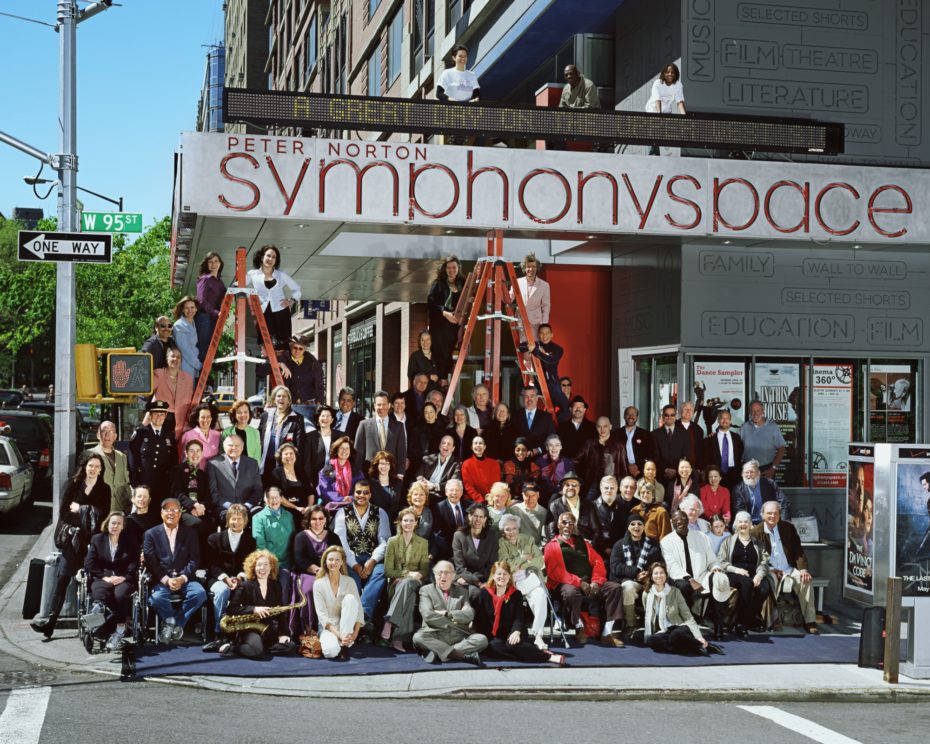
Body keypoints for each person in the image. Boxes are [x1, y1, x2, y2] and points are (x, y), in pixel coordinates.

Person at [31, 454, 112, 639]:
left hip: (92, 541)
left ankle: (94, 625)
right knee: (63, 577)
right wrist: (87, 515)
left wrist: (81, 509)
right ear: (85, 467)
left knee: (92, 581)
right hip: (73, 539)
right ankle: (50, 622)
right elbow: (64, 513)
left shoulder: (105, 489)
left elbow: (103, 514)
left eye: (96, 466)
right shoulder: (73, 484)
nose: (93, 469)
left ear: (101, 469)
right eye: (90, 465)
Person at [543, 511, 624, 647]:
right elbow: (556, 572)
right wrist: (580, 582)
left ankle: (606, 633)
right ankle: (579, 627)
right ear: (558, 525)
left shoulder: (584, 543)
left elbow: (597, 561)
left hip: (590, 582)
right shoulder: (551, 546)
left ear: (574, 526)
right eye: (564, 522)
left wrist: (596, 581)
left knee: (614, 588)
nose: (567, 525)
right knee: (571, 593)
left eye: (571, 523)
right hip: (566, 583)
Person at [142, 495, 207, 644]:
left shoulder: (190, 533)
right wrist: (166, 580)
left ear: (180, 513)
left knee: (199, 593)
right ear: (161, 513)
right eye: (167, 510)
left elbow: (194, 560)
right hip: (162, 579)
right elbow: (151, 562)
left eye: (175, 510)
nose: (171, 513)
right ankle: (173, 623)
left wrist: (182, 578)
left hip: (185, 578)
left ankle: (174, 624)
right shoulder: (150, 534)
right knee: (156, 598)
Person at [474, 561, 565, 665]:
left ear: (509, 576)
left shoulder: (516, 594)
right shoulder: (484, 593)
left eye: (505, 574)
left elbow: (519, 617)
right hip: (494, 636)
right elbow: (480, 619)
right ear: (493, 576)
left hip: (512, 632)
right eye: (499, 574)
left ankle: (549, 657)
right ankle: (534, 652)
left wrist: (516, 631)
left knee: (513, 645)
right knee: (493, 649)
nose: (502, 577)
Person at [660, 509, 731, 640]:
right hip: (679, 578)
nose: (679, 522)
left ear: (688, 521)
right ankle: (688, 624)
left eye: (682, 519)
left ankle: (719, 625)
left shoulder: (702, 537)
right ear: (672, 523)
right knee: (684, 586)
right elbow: (672, 566)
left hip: (702, 576)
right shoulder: (666, 541)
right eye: (675, 520)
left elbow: (712, 560)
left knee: (719, 579)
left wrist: (715, 568)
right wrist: (690, 579)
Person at [751, 501, 820, 634]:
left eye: (775, 513)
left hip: (789, 568)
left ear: (780, 515)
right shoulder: (755, 532)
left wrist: (803, 569)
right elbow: (756, 558)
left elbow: (798, 550)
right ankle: (773, 620)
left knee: (805, 581)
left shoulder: (788, 528)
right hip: (770, 570)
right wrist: (770, 570)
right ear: (762, 515)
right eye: (769, 513)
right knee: (771, 583)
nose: (772, 516)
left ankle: (810, 621)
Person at [333, 480, 390, 628]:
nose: (361, 495)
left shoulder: (380, 513)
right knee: (352, 582)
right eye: (358, 492)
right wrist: (355, 565)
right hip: (350, 559)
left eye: (365, 492)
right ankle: (357, 620)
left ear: (370, 495)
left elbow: (384, 541)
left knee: (382, 572)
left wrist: (373, 561)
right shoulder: (342, 512)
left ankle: (362, 613)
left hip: (373, 558)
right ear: (353, 493)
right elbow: (341, 542)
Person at [221, 549, 293, 658]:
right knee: (257, 651)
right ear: (253, 568)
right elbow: (231, 609)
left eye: (266, 564)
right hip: (250, 629)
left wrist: (284, 634)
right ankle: (231, 648)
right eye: (259, 565)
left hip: (268, 630)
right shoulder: (245, 586)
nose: (262, 568)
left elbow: (280, 613)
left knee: (290, 646)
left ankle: (257, 648)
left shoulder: (276, 586)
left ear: (271, 567)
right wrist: (254, 609)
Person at [83, 511, 138, 652]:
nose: (115, 526)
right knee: (100, 592)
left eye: (119, 524)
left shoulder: (130, 541)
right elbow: (89, 563)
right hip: (103, 577)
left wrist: (124, 577)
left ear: (123, 526)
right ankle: (97, 616)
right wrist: (104, 577)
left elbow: (134, 562)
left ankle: (119, 630)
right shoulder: (97, 539)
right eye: (113, 523)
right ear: (107, 524)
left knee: (121, 595)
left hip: (123, 579)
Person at [413, 560, 487, 666]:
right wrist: (457, 619)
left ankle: (438, 652)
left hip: (458, 636)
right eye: (440, 573)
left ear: (453, 576)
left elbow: (469, 614)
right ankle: (462, 656)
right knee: (417, 638)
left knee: (482, 639)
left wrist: (448, 614)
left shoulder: (462, 591)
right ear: (434, 574)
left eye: (447, 573)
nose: (443, 576)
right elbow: (428, 615)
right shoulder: (426, 590)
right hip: (435, 634)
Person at [203, 504, 256, 651]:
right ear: (228, 520)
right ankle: (219, 631)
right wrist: (226, 579)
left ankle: (240, 632)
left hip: (240, 578)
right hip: (218, 578)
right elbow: (212, 565)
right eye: (233, 519)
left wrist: (239, 578)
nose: (236, 522)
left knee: (246, 590)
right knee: (222, 591)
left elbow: (248, 564)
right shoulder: (214, 538)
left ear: (245, 521)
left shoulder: (251, 541)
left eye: (239, 519)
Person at [642, 562, 721, 656]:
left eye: (662, 572)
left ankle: (700, 644)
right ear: (651, 576)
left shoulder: (675, 592)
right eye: (656, 573)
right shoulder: (647, 594)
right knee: (652, 641)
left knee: (676, 636)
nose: (659, 576)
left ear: (666, 575)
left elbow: (687, 616)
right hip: (663, 630)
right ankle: (695, 647)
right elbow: (648, 615)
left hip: (678, 627)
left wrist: (699, 636)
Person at [381, 507, 430, 651]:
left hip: (417, 582)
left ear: (416, 523)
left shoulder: (423, 542)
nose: (408, 523)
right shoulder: (392, 541)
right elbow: (388, 570)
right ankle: (398, 640)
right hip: (397, 583)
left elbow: (424, 569)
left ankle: (389, 621)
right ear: (400, 522)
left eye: (411, 521)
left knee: (408, 584)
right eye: (405, 520)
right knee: (408, 595)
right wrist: (407, 574)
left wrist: (414, 575)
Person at [497, 514, 549, 649]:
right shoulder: (501, 543)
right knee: (535, 586)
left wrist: (521, 565)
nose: (511, 532)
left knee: (540, 595)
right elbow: (506, 565)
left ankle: (538, 636)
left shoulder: (528, 539)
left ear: (518, 528)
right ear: (503, 530)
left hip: (530, 578)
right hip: (513, 582)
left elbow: (540, 561)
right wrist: (524, 557)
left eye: (514, 528)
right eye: (508, 529)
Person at [290, 505, 342, 636]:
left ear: (326, 519)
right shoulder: (301, 536)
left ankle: (334, 629)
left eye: (320, 518)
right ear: (308, 520)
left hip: (331, 572)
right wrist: (317, 570)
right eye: (314, 519)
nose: (317, 522)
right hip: (308, 573)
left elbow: (339, 556)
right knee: (310, 589)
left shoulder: (333, 537)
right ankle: (309, 629)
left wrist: (329, 571)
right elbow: (300, 559)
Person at [718, 510, 770, 636]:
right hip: (733, 574)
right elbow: (721, 561)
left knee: (764, 587)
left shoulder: (758, 543)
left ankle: (751, 616)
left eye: (746, 522)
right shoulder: (728, 541)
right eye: (740, 522)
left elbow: (764, 562)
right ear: (736, 524)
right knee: (747, 583)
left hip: (753, 573)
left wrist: (759, 575)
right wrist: (736, 570)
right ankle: (741, 623)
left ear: (750, 524)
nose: (743, 524)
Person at [609, 513, 660, 634]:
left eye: (639, 524)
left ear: (644, 526)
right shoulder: (619, 545)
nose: (636, 527)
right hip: (631, 580)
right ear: (628, 527)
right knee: (627, 588)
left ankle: (652, 624)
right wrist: (636, 573)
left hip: (649, 580)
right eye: (633, 524)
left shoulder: (653, 544)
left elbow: (659, 563)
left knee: (653, 591)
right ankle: (630, 623)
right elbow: (615, 566)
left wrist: (649, 574)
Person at [312, 545, 364, 660]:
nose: (333, 563)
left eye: (337, 560)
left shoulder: (350, 581)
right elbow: (322, 616)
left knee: (350, 599)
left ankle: (344, 647)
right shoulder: (318, 584)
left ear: (342, 562)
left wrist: (355, 634)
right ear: (325, 562)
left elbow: (359, 610)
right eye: (330, 559)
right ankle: (338, 643)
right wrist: (339, 635)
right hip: (328, 628)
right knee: (330, 652)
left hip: (346, 626)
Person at [246, 244, 301, 349]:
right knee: (263, 345)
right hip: (263, 313)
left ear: (276, 260)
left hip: (281, 312)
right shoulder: (252, 274)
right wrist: (250, 295)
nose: (270, 259)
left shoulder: (281, 274)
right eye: (268, 255)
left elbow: (297, 289)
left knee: (282, 345)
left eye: (273, 257)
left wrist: (292, 300)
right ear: (262, 257)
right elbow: (238, 285)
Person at [128, 399, 177, 503]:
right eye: (155, 414)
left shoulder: (170, 435)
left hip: (164, 484)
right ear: (150, 415)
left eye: (161, 414)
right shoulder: (140, 433)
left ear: (165, 415)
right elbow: (132, 462)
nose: (158, 417)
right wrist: (136, 485)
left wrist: (171, 483)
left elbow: (174, 460)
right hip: (144, 484)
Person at [207, 434, 264, 521]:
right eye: (230, 445)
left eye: (237, 445)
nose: (234, 448)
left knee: (259, 516)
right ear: (224, 447)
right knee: (230, 518)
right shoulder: (213, 464)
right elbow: (213, 493)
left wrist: (246, 506)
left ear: (242, 447)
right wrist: (231, 506)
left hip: (247, 506)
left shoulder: (252, 463)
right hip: (224, 507)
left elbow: (258, 490)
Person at [426, 256, 465, 382]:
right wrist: (444, 313)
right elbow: (431, 303)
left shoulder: (463, 283)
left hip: (454, 325)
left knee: (448, 353)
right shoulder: (438, 283)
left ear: (458, 268)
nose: (451, 270)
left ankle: (444, 381)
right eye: (449, 268)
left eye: (454, 267)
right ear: (444, 269)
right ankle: (440, 380)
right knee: (439, 353)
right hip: (439, 325)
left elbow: (468, 298)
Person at [251, 487, 295, 597]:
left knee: (284, 586)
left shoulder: (289, 516)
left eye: (277, 497)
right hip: (267, 562)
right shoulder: (258, 518)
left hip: (286, 562)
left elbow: (293, 540)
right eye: (271, 498)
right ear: (266, 499)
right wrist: (270, 564)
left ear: (281, 499)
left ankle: (284, 609)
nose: (274, 500)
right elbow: (260, 545)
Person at [452, 502, 498, 602]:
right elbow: (459, 566)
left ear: (485, 519)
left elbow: (491, 565)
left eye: (481, 517)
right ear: (469, 517)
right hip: (463, 577)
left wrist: (476, 580)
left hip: (485, 577)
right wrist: (476, 582)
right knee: (473, 592)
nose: (478, 519)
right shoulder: (459, 535)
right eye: (475, 516)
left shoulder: (492, 536)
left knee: (486, 594)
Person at [259, 385, 306, 480]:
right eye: (279, 396)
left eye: (284, 396)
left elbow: (299, 445)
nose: (281, 398)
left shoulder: (297, 419)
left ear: (289, 400)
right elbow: (259, 439)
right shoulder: (266, 415)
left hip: (285, 464)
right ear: (274, 398)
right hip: (266, 462)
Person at [355, 390, 407, 476]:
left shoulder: (398, 426)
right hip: (369, 474)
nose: (381, 407)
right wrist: (358, 475)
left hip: (391, 474)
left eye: (384, 404)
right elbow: (358, 452)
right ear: (374, 405)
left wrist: (400, 474)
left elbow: (402, 452)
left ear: (389, 405)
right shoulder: (364, 425)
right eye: (379, 404)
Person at [436, 44, 481, 146]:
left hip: (467, 116)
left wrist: (475, 100)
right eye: (460, 56)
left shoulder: (471, 75)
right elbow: (439, 93)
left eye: (465, 56)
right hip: (451, 115)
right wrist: (453, 100)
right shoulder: (447, 73)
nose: (463, 58)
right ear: (454, 58)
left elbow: (477, 93)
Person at [169, 439, 213, 540]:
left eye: (198, 451)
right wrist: (193, 505)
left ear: (202, 453)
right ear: (186, 453)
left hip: (199, 510)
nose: (195, 454)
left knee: (210, 523)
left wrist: (201, 506)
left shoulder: (203, 474)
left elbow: (208, 498)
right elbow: (177, 493)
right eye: (191, 451)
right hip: (182, 510)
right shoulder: (177, 470)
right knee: (196, 523)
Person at [528, 324, 572, 423]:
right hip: (539, 384)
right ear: (538, 335)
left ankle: (553, 424)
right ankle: (550, 424)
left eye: (547, 333)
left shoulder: (558, 349)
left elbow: (550, 360)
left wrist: (535, 351)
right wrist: (528, 346)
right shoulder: (535, 345)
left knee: (569, 409)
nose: (545, 336)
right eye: (542, 333)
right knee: (544, 412)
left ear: (552, 334)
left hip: (553, 384)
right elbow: (521, 346)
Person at [576, 416, 627, 499]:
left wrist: (624, 486)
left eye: (605, 426)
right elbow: (575, 460)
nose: (602, 429)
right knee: (588, 504)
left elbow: (624, 469)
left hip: (611, 483)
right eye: (599, 426)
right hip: (593, 483)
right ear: (596, 427)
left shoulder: (619, 446)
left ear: (610, 427)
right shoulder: (589, 443)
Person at [150, 347, 195, 443]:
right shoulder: (158, 373)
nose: (175, 359)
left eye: (178, 357)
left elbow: (189, 401)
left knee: (175, 447)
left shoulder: (188, 378)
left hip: (181, 420)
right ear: (167, 359)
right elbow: (148, 389)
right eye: (173, 356)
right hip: (161, 418)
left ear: (181, 361)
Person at [88, 420, 132, 513]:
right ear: (98, 435)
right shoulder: (89, 454)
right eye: (104, 431)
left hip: (120, 508)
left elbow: (126, 482)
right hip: (99, 508)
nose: (107, 435)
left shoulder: (122, 457)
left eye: (111, 431)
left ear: (115, 436)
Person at [275, 334, 324, 418]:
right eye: (295, 348)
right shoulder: (285, 358)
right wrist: (282, 365)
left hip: (309, 407)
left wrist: (319, 402)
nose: (297, 351)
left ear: (304, 349)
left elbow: (320, 384)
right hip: (292, 407)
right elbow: (277, 359)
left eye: (300, 348)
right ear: (291, 347)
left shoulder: (312, 362)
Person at [732, 459, 791, 524]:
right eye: (746, 472)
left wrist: (784, 523)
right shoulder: (738, 489)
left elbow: (784, 502)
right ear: (742, 474)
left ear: (758, 473)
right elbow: (739, 510)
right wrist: (747, 524)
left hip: (768, 522)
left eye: (752, 472)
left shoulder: (770, 484)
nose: (749, 474)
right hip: (749, 524)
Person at [645, 62, 686, 156]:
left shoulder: (678, 85)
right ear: (664, 73)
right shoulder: (658, 83)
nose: (670, 74)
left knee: (665, 134)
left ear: (676, 74)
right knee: (653, 134)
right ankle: (653, 155)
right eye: (667, 72)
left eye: (672, 72)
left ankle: (664, 153)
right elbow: (657, 100)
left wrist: (685, 117)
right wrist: (659, 115)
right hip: (653, 111)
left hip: (667, 111)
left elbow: (680, 102)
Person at [548, 471, 600, 543]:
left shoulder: (589, 505)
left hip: (585, 544)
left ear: (579, 487)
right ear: (562, 488)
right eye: (567, 485)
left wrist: (591, 543)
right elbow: (551, 532)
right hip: (563, 544)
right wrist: (562, 545)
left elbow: (596, 531)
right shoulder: (555, 505)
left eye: (574, 485)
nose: (571, 487)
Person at [741, 400, 787, 480]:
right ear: (749, 412)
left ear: (763, 411)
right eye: (753, 411)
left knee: (765, 488)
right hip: (747, 470)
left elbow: (782, 449)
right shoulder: (744, 428)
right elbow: (736, 447)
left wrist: (773, 468)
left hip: (766, 470)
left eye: (758, 411)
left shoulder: (773, 427)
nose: (755, 414)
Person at [195, 251, 225, 364]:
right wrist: (216, 312)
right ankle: (197, 375)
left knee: (209, 352)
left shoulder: (220, 282)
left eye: (216, 261)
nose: (214, 264)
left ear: (220, 263)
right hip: (204, 318)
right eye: (210, 262)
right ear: (206, 264)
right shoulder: (204, 279)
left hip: (214, 318)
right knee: (202, 350)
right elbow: (201, 301)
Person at [512, 252, 550, 341]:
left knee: (535, 346)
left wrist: (544, 324)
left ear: (537, 268)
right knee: (522, 346)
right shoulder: (517, 282)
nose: (531, 269)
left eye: (533, 267)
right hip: (520, 321)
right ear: (524, 268)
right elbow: (509, 299)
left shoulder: (544, 285)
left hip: (536, 322)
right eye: (528, 266)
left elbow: (546, 306)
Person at [317, 436, 361, 512]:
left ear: (350, 451)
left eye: (347, 448)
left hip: (352, 506)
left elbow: (362, 488)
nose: (344, 451)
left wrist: (351, 498)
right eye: (341, 448)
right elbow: (325, 491)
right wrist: (342, 499)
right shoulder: (327, 470)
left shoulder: (355, 470)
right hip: (332, 508)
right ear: (336, 450)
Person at [594, 475, 634, 558]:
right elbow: (591, 532)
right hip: (597, 551)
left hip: (618, 552)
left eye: (612, 488)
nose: (609, 490)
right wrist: (604, 548)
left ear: (616, 489)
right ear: (601, 488)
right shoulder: (592, 507)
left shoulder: (623, 508)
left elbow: (626, 532)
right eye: (606, 488)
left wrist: (617, 548)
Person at [702, 410, 743, 490]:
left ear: (730, 421)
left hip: (734, 473)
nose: (725, 421)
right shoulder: (710, 439)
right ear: (718, 420)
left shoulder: (737, 438)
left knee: (733, 495)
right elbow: (706, 457)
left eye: (727, 418)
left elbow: (740, 453)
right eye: (722, 418)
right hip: (716, 473)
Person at [432, 478, 471, 560]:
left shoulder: (469, 506)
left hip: (468, 550)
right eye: (451, 490)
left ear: (461, 493)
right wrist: (454, 553)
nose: (454, 493)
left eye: (457, 490)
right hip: (449, 552)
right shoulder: (439, 508)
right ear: (446, 492)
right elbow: (438, 535)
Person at [416, 434, 461, 501]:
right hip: (424, 491)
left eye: (449, 444)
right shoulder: (427, 458)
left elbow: (454, 482)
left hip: (441, 496)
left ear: (453, 448)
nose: (445, 445)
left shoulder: (456, 464)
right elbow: (419, 474)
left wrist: (434, 486)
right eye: (443, 443)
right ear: (439, 446)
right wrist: (423, 483)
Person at [651, 405, 691, 482]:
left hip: (679, 475)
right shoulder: (654, 434)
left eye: (672, 415)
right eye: (666, 415)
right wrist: (665, 469)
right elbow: (655, 456)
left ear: (676, 416)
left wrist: (677, 470)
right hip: (660, 476)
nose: (669, 417)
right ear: (663, 416)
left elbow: (686, 454)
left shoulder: (684, 433)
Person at [270, 441, 311, 512]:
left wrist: (309, 507)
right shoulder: (276, 473)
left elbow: (310, 492)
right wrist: (296, 508)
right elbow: (277, 496)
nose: (289, 456)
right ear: (280, 457)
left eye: (291, 453)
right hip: (284, 511)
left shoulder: (301, 472)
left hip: (305, 511)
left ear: (295, 456)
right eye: (286, 454)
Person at [631, 480, 672, 552]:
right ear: (639, 494)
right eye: (643, 492)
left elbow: (665, 536)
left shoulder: (661, 512)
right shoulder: (634, 511)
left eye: (648, 492)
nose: (645, 495)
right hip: (637, 548)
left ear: (653, 495)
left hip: (654, 549)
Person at [507, 481, 550, 546]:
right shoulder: (514, 510)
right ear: (522, 495)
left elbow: (544, 537)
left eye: (533, 495)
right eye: (527, 495)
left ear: (538, 495)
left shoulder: (544, 512)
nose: (530, 499)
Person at [303, 404, 337, 489]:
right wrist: (308, 481)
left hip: (336, 478)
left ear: (332, 419)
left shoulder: (340, 436)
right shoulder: (310, 436)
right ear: (318, 418)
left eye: (328, 416)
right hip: (316, 480)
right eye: (323, 416)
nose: (325, 418)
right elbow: (307, 462)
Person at [536, 434, 575, 506]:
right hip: (545, 494)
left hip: (564, 493)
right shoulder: (540, 461)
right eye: (551, 445)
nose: (554, 448)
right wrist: (558, 491)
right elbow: (540, 483)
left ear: (561, 447)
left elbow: (573, 481)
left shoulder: (567, 462)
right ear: (547, 447)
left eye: (557, 445)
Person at [461, 435, 500, 504]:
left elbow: (496, 484)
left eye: (480, 443)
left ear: (484, 447)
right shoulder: (466, 464)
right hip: (473, 501)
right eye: (475, 443)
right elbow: (468, 486)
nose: (478, 445)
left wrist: (491, 498)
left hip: (492, 500)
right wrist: (481, 500)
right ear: (471, 447)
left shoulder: (494, 464)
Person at [171, 296, 202, 382]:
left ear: (196, 309)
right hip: (184, 366)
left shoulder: (193, 323)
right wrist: (199, 365)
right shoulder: (179, 325)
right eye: (186, 308)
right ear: (182, 310)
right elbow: (185, 350)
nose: (190, 310)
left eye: (192, 307)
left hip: (192, 365)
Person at [617, 406, 653, 479]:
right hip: (622, 472)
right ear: (624, 416)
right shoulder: (616, 434)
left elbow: (650, 454)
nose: (631, 416)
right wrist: (627, 466)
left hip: (640, 472)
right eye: (628, 414)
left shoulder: (645, 435)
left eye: (633, 414)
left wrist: (638, 467)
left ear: (637, 417)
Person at [368, 450, 405, 521]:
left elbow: (402, 504)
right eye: (381, 463)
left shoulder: (398, 483)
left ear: (390, 466)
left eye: (387, 464)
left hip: (394, 522)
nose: (384, 466)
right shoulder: (370, 484)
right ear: (377, 465)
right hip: (376, 521)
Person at [558, 396, 597, 462]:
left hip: (587, 465)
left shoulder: (593, 427)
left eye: (580, 406)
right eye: (575, 406)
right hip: (567, 465)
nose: (578, 409)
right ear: (570, 409)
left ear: (584, 410)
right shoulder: (562, 427)